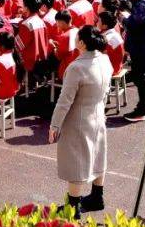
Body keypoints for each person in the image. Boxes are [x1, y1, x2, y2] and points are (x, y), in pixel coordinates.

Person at [48, 25, 112, 215]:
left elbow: (65, 100)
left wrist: (55, 124)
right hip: (98, 113)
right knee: (98, 156)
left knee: (76, 162)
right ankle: (97, 196)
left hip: (78, 120)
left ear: (82, 43)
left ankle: (72, 207)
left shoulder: (77, 67)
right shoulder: (105, 60)